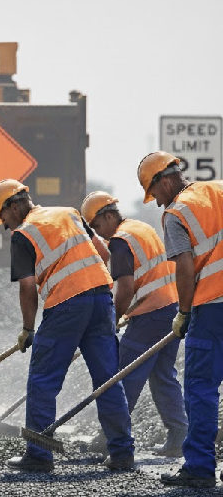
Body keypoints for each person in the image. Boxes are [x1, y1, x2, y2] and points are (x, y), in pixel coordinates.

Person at [0, 179, 134, 472]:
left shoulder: (23, 235)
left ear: (14, 207)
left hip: (67, 305)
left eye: (4, 219)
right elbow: (104, 255)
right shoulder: (69, 213)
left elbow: (28, 288)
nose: (6, 226)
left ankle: (39, 455)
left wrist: (28, 329)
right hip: (101, 300)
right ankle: (122, 453)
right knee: (107, 379)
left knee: (42, 380)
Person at [137, 151, 223, 489]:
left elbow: (185, 268)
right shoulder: (217, 190)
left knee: (201, 388)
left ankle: (200, 468)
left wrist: (184, 312)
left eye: (153, 192)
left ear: (165, 180)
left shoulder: (177, 213)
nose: (156, 202)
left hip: (212, 308)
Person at [81, 191, 187, 457]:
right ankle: (179, 439)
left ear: (107, 216)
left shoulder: (120, 240)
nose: (100, 233)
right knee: (163, 376)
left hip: (151, 314)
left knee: (122, 375)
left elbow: (125, 287)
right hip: (169, 308)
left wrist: (112, 320)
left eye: (97, 226)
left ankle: (109, 438)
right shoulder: (140, 227)